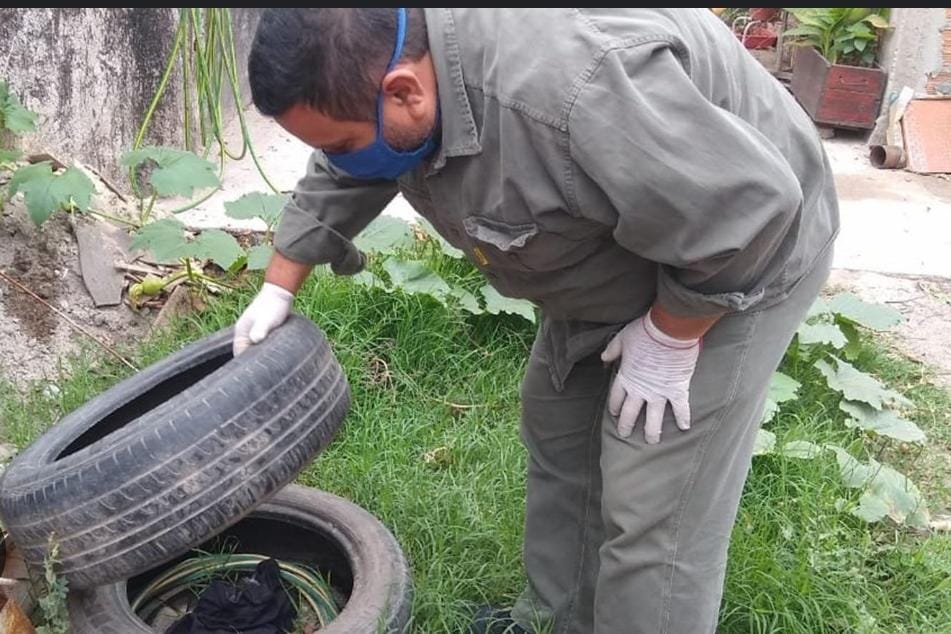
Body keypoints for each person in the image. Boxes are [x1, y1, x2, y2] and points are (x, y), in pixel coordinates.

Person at [236, 8, 838, 634]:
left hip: (739, 249)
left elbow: (746, 213)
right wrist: (279, 289)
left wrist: (668, 335)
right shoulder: (387, 67)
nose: (339, 159)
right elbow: (351, 160)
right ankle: (557, 621)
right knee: (561, 428)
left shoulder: (570, 91)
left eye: (339, 145)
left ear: (405, 90)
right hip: (624, 227)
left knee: (651, 494)